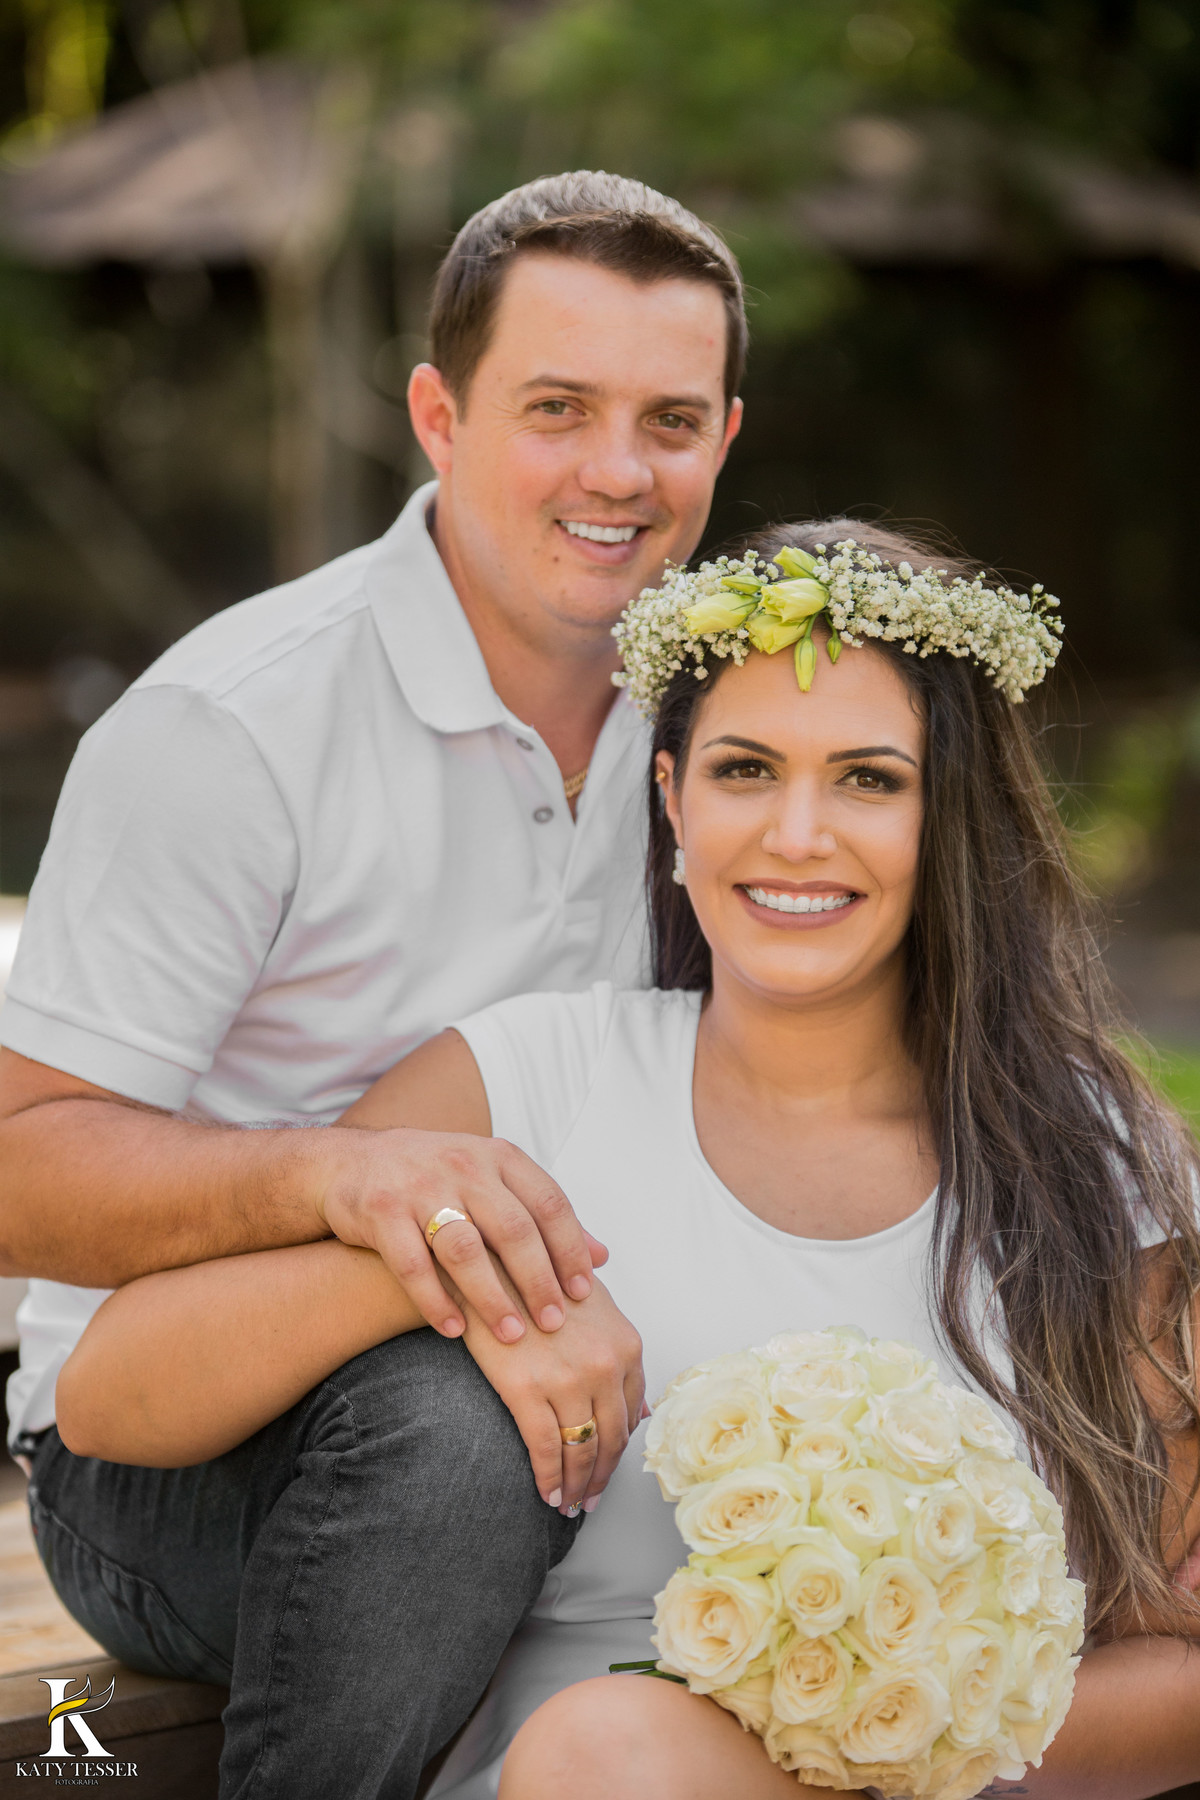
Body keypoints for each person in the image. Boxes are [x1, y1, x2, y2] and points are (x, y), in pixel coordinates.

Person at [56, 519, 1200, 1800]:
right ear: (670, 801)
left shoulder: (1098, 1161)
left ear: (956, 820)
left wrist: (904, 1747)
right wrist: (471, 1278)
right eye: (746, 769)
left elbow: (1180, 1671)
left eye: (872, 779)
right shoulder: (534, 1079)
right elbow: (110, 1393)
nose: (799, 834)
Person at [0, 170, 747, 1797]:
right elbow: (16, 1165)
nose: (617, 472)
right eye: (557, 408)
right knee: (449, 1438)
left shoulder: (731, 727)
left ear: (727, 439)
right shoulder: (235, 729)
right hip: (169, 1452)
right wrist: (353, 1180)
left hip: (583, 1368)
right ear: (438, 413)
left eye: (669, 420)